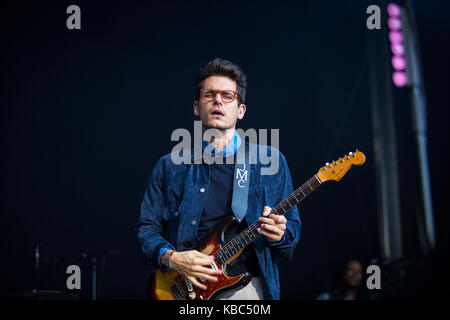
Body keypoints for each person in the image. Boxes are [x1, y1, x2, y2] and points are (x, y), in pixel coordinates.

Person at [135, 58, 301, 300]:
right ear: (196, 107)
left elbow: (292, 230)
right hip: (181, 286)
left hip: (245, 288)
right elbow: (146, 229)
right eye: (208, 94)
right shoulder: (169, 166)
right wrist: (172, 258)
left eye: (227, 95)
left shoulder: (270, 161)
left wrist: (280, 234)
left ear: (241, 110)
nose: (218, 100)